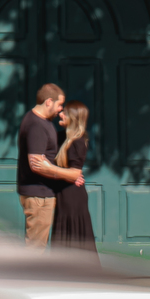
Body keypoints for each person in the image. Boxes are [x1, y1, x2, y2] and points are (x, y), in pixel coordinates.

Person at [16, 82, 81, 248]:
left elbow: (47, 164)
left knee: (37, 246)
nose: (61, 110)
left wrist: (61, 173)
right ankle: (31, 274)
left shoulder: (42, 122)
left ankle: (32, 273)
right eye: (59, 105)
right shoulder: (36, 125)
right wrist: (68, 174)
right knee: (35, 249)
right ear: (48, 102)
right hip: (39, 196)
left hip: (42, 194)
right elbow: (37, 165)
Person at [50, 101, 98, 260]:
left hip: (72, 197)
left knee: (74, 237)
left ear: (74, 118)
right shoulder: (61, 137)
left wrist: (69, 174)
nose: (60, 114)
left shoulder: (77, 142)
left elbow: (74, 172)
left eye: (65, 113)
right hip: (63, 194)